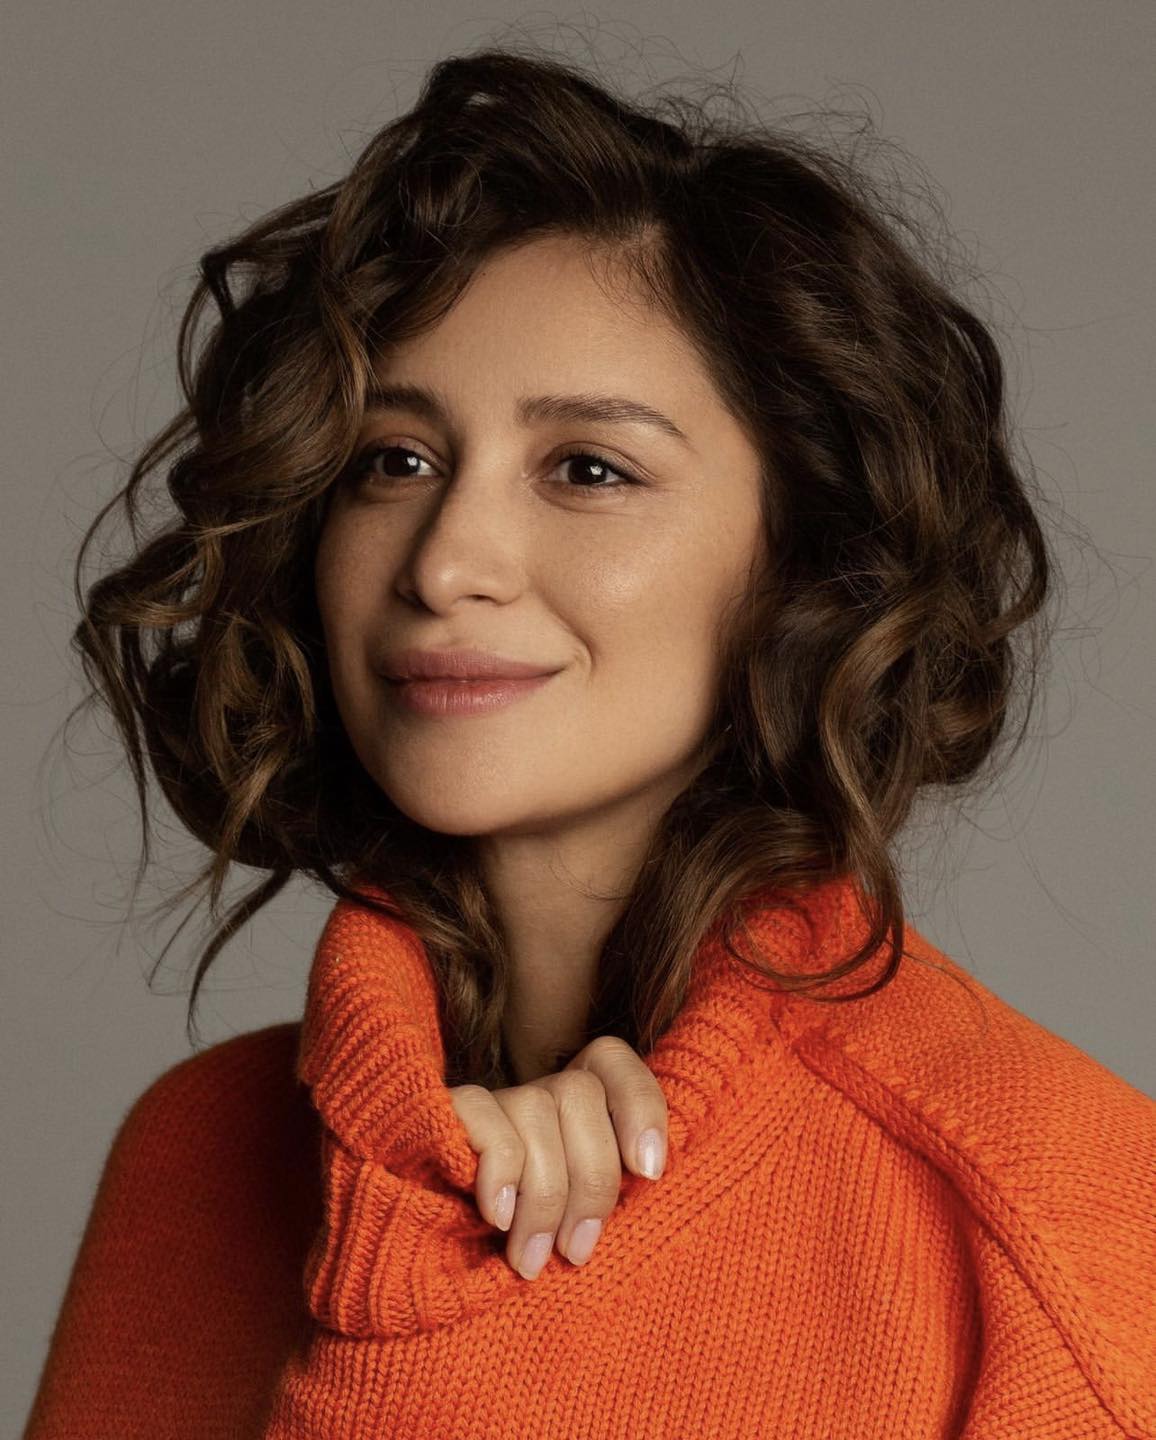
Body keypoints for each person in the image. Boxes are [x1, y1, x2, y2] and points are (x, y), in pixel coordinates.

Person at [24, 43, 1155, 1440]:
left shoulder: (1050, 1220)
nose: (447, 562)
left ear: (806, 559)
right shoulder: (197, 1154)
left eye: (588, 469)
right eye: (394, 460)